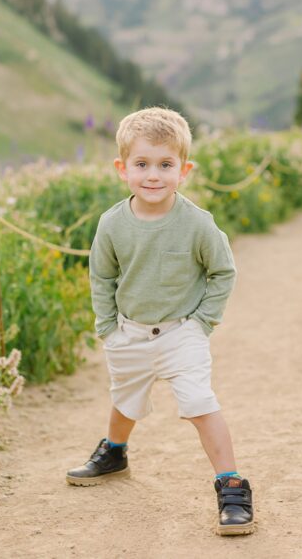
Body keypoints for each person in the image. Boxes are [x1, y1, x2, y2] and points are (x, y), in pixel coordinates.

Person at [64, 107, 254, 536]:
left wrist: (203, 322)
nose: (154, 175)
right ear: (122, 168)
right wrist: (108, 327)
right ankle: (114, 453)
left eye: (166, 165)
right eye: (142, 164)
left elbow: (222, 271)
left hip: (181, 331)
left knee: (199, 403)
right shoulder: (112, 224)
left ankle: (231, 484)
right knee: (124, 398)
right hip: (128, 331)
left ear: (184, 170)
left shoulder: (197, 224)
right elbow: (102, 275)